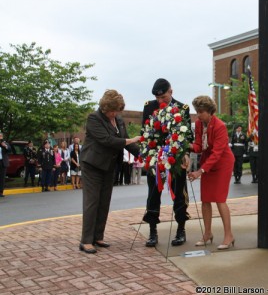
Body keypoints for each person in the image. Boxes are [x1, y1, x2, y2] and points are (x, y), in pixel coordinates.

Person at [79, 89, 140, 254]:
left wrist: (144, 155)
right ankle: (86, 241)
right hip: (92, 164)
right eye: (112, 111)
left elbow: (127, 144)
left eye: (117, 110)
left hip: (109, 165)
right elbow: (107, 140)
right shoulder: (94, 118)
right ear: (105, 108)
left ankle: (98, 236)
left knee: (104, 201)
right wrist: (131, 139)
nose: (115, 114)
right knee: (92, 202)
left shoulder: (118, 120)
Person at [142, 78, 192, 247]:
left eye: (163, 98)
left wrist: (185, 154)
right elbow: (146, 133)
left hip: (175, 158)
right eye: (158, 98)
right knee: (153, 194)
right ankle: (152, 231)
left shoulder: (182, 108)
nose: (160, 101)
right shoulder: (149, 107)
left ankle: (181, 229)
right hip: (155, 157)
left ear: (171, 92)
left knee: (179, 194)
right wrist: (148, 157)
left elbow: (187, 136)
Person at [188, 95, 235, 250]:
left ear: (209, 111)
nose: (198, 115)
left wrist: (200, 171)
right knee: (206, 199)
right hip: (208, 163)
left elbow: (217, 153)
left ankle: (229, 235)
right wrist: (184, 146)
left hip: (222, 163)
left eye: (201, 111)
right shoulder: (199, 124)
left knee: (220, 199)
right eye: (197, 111)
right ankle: (207, 233)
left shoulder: (220, 126)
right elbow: (199, 146)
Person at [0, 132, 11, 198]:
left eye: (1, 136)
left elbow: (9, 149)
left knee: (2, 178)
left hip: (3, 162)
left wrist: (5, 146)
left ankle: (1, 191)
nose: (0, 137)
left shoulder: (5, 143)